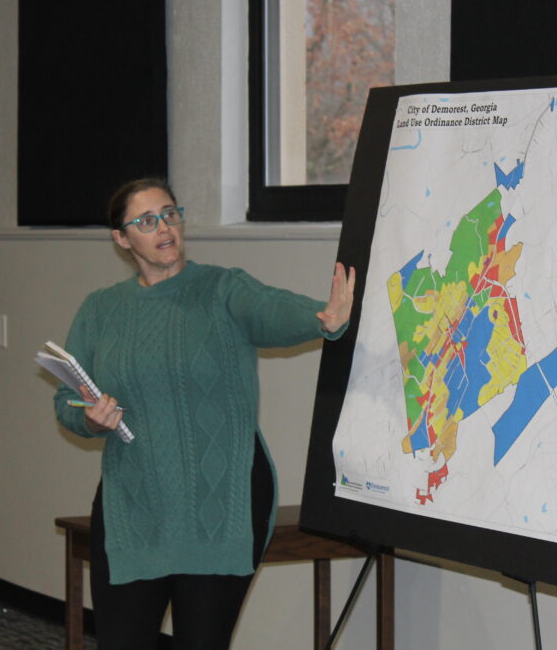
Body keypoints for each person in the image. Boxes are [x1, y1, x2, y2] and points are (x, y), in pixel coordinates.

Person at [53, 177, 355, 648]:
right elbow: (66, 401)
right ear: (121, 238)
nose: (164, 227)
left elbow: (270, 311)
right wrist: (90, 419)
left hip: (221, 504)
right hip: (134, 507)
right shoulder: (100, 310)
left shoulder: (221, 288)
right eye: (147, 221)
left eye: (170, 214)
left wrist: (323, 316)